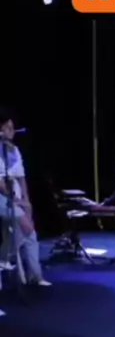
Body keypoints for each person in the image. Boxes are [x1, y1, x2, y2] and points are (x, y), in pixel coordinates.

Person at [0, 109, 51, 287]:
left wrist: (26, 203)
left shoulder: (15, 150)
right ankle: (5, 262)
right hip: (3, 198)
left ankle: (35, 276)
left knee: (29, 233)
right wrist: (16, 202)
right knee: (23, 227)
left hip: (15, 198)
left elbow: (22, 179)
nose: (12, 131)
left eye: (12, 127)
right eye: (7, 127)